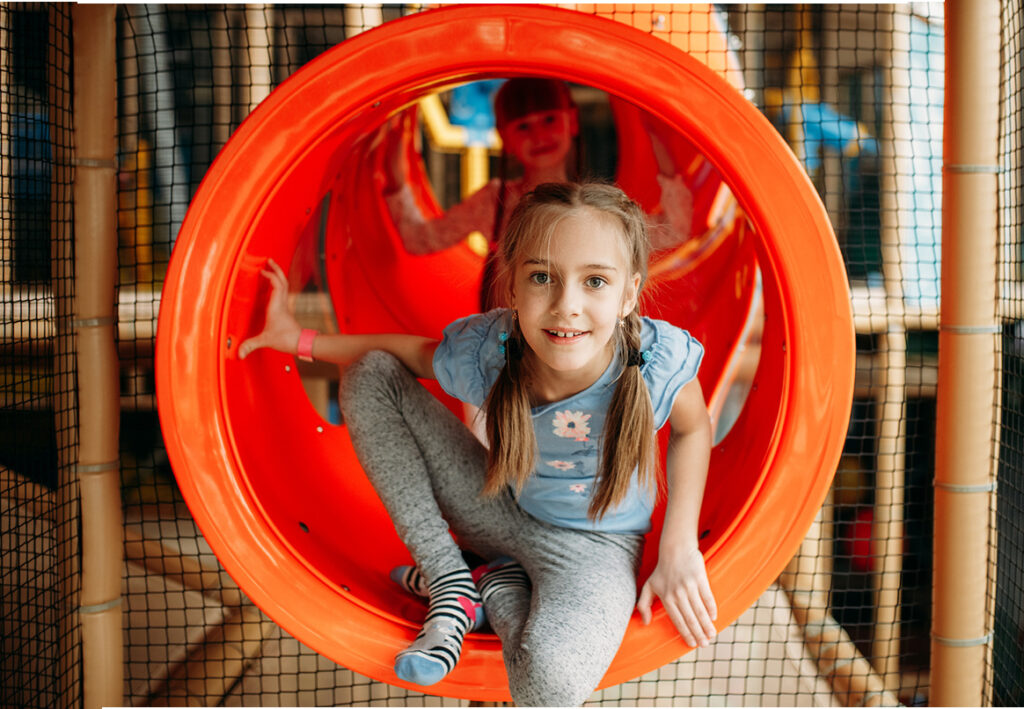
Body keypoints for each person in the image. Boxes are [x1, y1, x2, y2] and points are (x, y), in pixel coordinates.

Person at [239, 182, 716, 706]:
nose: (566, 306)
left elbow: (693, 429)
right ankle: (450, 579)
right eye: (542, 278)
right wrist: (298, 339)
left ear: (628, 295)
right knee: (372, 375)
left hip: (597, 548)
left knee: (553, 686)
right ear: (512, 287)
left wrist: (678, 543)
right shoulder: (494, 348)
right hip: (498, 506)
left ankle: (498, 586)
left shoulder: (654, 362)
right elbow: (403, 352)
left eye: (595, 281)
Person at [382, 77, 694, 310]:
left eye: (548, 120)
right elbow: (420, 240)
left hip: (571, 339)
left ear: (571, 121)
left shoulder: (593, 205)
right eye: (523, 127)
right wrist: (396, 177)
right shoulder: (496, 202)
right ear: (505, 137)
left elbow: (674, 230)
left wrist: (661, 147)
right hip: (506, 347)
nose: (539, 135)